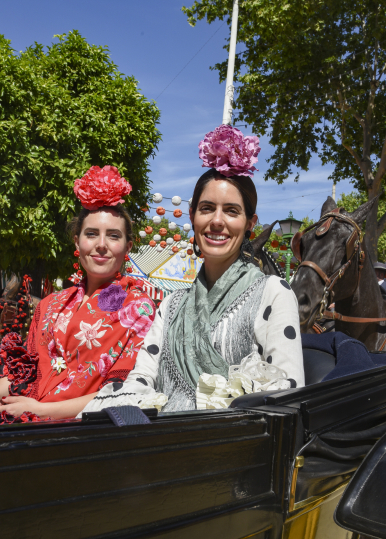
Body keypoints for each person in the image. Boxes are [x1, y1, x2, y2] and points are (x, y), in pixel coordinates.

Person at [80, 125, 305, 415]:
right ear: (193, 216)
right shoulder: (171, 305)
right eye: (207, 208)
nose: (217, 221)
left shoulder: (273, 293)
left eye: (232, 211)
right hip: (161, 441)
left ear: (250, 223)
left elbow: (287, 395)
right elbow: (141, 378)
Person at [0, 166, 155, 421]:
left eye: (113, 236)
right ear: (77, 242)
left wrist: (42, 410)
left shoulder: (138, 306)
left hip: (80, 434)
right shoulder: (51, 303)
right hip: (20, 415)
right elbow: (24, 369)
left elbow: (122, 390)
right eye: (91, 234)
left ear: (127, 247)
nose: (101, 245)